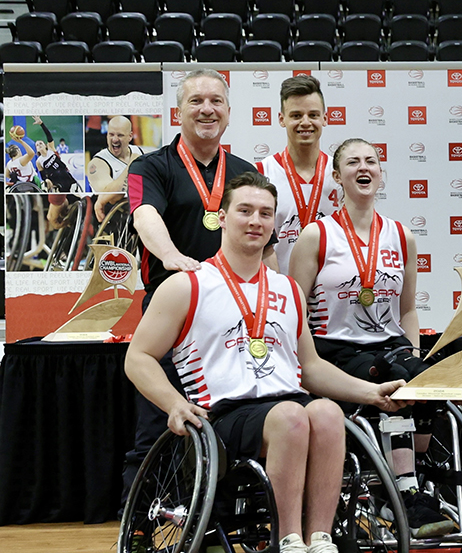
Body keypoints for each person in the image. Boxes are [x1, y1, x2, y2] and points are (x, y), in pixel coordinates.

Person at [125, 172, 406, 553]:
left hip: (288, 402)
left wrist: (372, 393)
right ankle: (287, 539)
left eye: (265, 213)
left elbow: (311, 368)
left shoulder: (287, 287)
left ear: (274, 224)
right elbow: (137, 358)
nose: (256, 221)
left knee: (326, 413)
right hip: (224, 414)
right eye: (245, 211)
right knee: (292, 417)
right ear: (222, 217)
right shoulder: (187, 285)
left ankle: (320, 538)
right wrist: (174, 404)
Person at [289, 138, 454, 538]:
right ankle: (401, 494)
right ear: (336, 176)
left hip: (391, 344)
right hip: (336, 349)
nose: (364, 167)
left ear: (381, 173)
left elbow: (409, 309)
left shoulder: (401, 236)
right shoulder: (317, 235)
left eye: (372, 161)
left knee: (427, 378)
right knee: (389, 381)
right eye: (352, 162)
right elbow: (291, 308)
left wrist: (413, 354)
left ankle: (406, 476)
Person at [123, 69, 274, 499]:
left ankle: (218, 518)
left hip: (237, 315)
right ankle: (141, 524)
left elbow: (267, 247)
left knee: (231, 418)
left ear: (228, 112)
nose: (206, 109)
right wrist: (171, 256)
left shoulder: (245, 171)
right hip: (176, 308)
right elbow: (144, 216)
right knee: (159, 422)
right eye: (195, 101)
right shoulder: (149, 166)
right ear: (178, 111)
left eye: (216, 101)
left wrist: (277, 292)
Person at [258, 75, 339, 275]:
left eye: (313, 115)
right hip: (279, 292)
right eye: (296, 115)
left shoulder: (340, 174)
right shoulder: (261, 173)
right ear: (281, 119)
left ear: (325, 119)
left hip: (331, 294)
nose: (305, 122)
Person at [88, 115, 143, 193]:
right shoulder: (97, 163)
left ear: (130, 136)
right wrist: (132, 165)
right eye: (111, 134)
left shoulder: (141, 152)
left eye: (120, 135)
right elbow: (108, 197)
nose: (115, 139)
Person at [29, 116, 77, 193]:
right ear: (36, 149)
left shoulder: (51, 149)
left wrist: (41, 124)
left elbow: (49, 136)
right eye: (37, 145)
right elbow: (43, 175)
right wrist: (47, 180)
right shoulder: (39, 161)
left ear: (45, 145)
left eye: (40, 143)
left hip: (65, 175)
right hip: (56, 181)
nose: (39, 145)